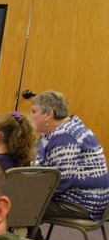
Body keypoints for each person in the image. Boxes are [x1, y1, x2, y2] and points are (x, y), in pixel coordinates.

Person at [30, 90, 109, 222]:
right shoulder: (56, 131)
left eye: (33, 111)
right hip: (79, 197)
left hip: (83, 203)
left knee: (19, 206)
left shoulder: (65, 135)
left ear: (49, 114)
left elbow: (60, 180)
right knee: (19, 203)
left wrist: (30, 193)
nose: (30, 116)